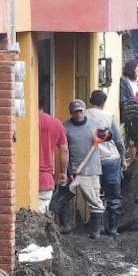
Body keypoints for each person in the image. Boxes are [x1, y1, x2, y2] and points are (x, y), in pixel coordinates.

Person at [54, 99, 108, 238]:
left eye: (80, 111)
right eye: (75, 112)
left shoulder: (95, 125)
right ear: (71, 113)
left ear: (84, 111)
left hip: (91, 170)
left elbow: (108, 136)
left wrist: (105, 135)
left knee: (94, 200)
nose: (78, 114)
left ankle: (96, 230)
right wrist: (68, 169)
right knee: (62, 199)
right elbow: (64, 150)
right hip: (73, 170)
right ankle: (65, 226)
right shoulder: (65, 127)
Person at [86, 90, 128, 237]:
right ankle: (113, 229)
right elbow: (118, 139)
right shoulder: (108, 117)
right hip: (110, 160)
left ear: (90, 100)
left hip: (91, 161)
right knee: (113, 196)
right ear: (104, 103)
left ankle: (99, 227)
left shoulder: (82, 115)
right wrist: (123, 156)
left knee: (96, 194)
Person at [38, 96, 68, 214]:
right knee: (40, 218)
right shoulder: (55, 123)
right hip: (45, 178)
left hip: (21, 177)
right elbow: (64, 150)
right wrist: (63, 172)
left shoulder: (23, 121)